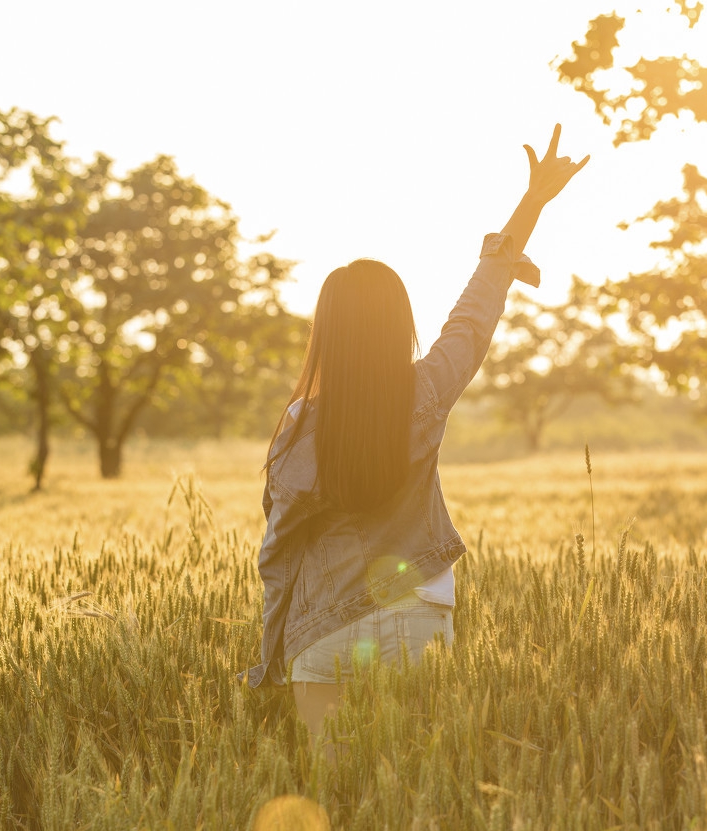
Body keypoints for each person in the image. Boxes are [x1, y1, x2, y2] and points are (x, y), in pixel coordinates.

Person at [238, 124, 589, 758]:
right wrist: (531, 203)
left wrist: (269, 657)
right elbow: (473, 316)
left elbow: (278, 555)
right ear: (400, 323)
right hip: (419, 616)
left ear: (328, 333)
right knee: (417, 787)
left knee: (337, 790)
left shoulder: (300, 424)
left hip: (324, 627)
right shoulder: (426, 392)